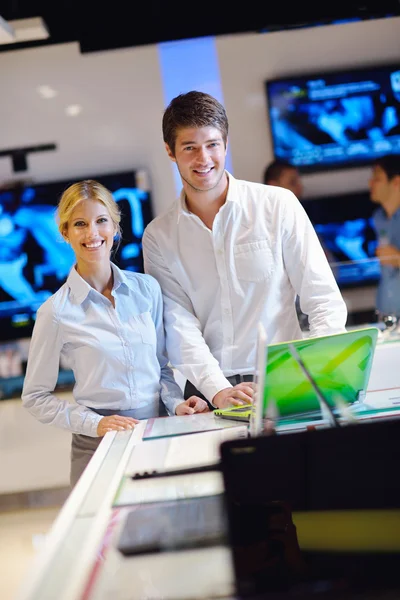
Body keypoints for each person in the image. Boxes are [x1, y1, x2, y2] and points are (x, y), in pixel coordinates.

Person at [142, 91, 347, 411]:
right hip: (208, 393)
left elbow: (322, 299)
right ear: (171, 152)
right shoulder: (159, 236)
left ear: (226, 143)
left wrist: (317, 371)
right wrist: (218, 390)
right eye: (189, 148)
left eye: (212, 144)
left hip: (287, 377)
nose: (203, 158)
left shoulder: (277, 205)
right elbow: (179, 325)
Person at [22, 180, 207, 488]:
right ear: (65, 232)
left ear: (115, 227)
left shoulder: (147, 289)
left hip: (156, 431)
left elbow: (161, 368)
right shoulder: (55, 312)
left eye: (101, 221)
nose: (92, 233)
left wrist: (177, 403)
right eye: (80, 224)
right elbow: (35, 397)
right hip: (97, 447)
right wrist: (96, 424)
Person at [369, 154, 400, 319]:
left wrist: (397, 259)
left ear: (396, 182)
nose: (370, 183)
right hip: (386, 312)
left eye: (377, 178)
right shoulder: (378, 218)